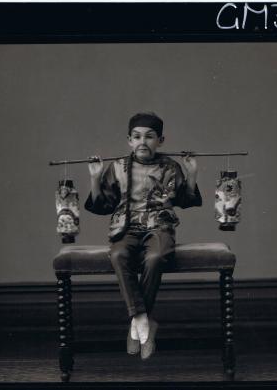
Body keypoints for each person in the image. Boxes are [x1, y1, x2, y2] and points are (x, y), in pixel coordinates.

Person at [85, 112, 202, 359]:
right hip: (125, 228)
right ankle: (143, 321)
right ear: (129, 140)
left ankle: (136, 325)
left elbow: (185, 199)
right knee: (118, 254)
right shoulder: (118, 166)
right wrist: (95, 177)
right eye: (137, 137)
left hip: (159, 227)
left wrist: (191, 173)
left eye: (149, 137)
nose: (142, 142)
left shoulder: (170, 166)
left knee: (155, 257)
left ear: (161, 139)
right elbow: (102, 204)